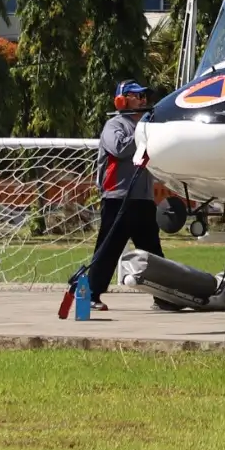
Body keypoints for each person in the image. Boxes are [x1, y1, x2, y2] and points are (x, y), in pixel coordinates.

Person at [61, 81, 163, 317]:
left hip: (144, 198)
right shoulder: (114, 125)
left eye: (143, 96)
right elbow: (119, 149)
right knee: (108, 249)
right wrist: (144, 134)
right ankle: (93, 294)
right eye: (136, 96)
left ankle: (164, 295)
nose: (143, 100)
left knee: (152, 252)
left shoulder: (145, 127)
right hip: (118, 198)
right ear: (122, 100)